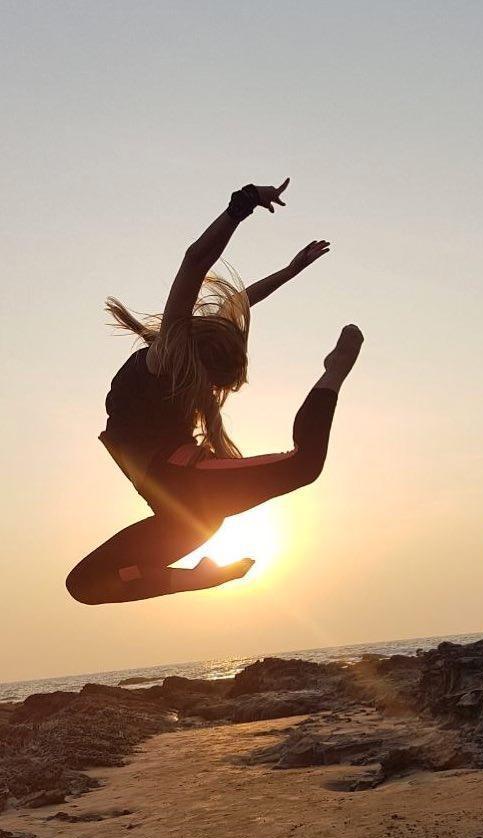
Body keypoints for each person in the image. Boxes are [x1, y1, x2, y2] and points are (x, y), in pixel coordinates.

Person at [66, 179, 363, 605]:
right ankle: (202, 579)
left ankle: (333, 372)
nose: (212, 394)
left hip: (184, 503)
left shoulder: (178, 354)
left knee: (303, 467)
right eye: (216, 384)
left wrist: (290, 271)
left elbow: (238, 303)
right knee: (84, 586)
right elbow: (194, 263)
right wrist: (240, 205)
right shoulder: (170, 355)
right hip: (181, 497)